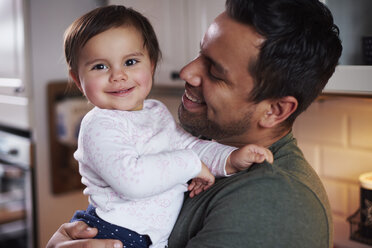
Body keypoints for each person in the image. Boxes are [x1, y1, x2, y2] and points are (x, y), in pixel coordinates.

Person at [47, 0, 342, 247]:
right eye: (201, 53)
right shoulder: (191, 138)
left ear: (275, 110)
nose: (187, 71)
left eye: (215, 71)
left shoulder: (274, 203)